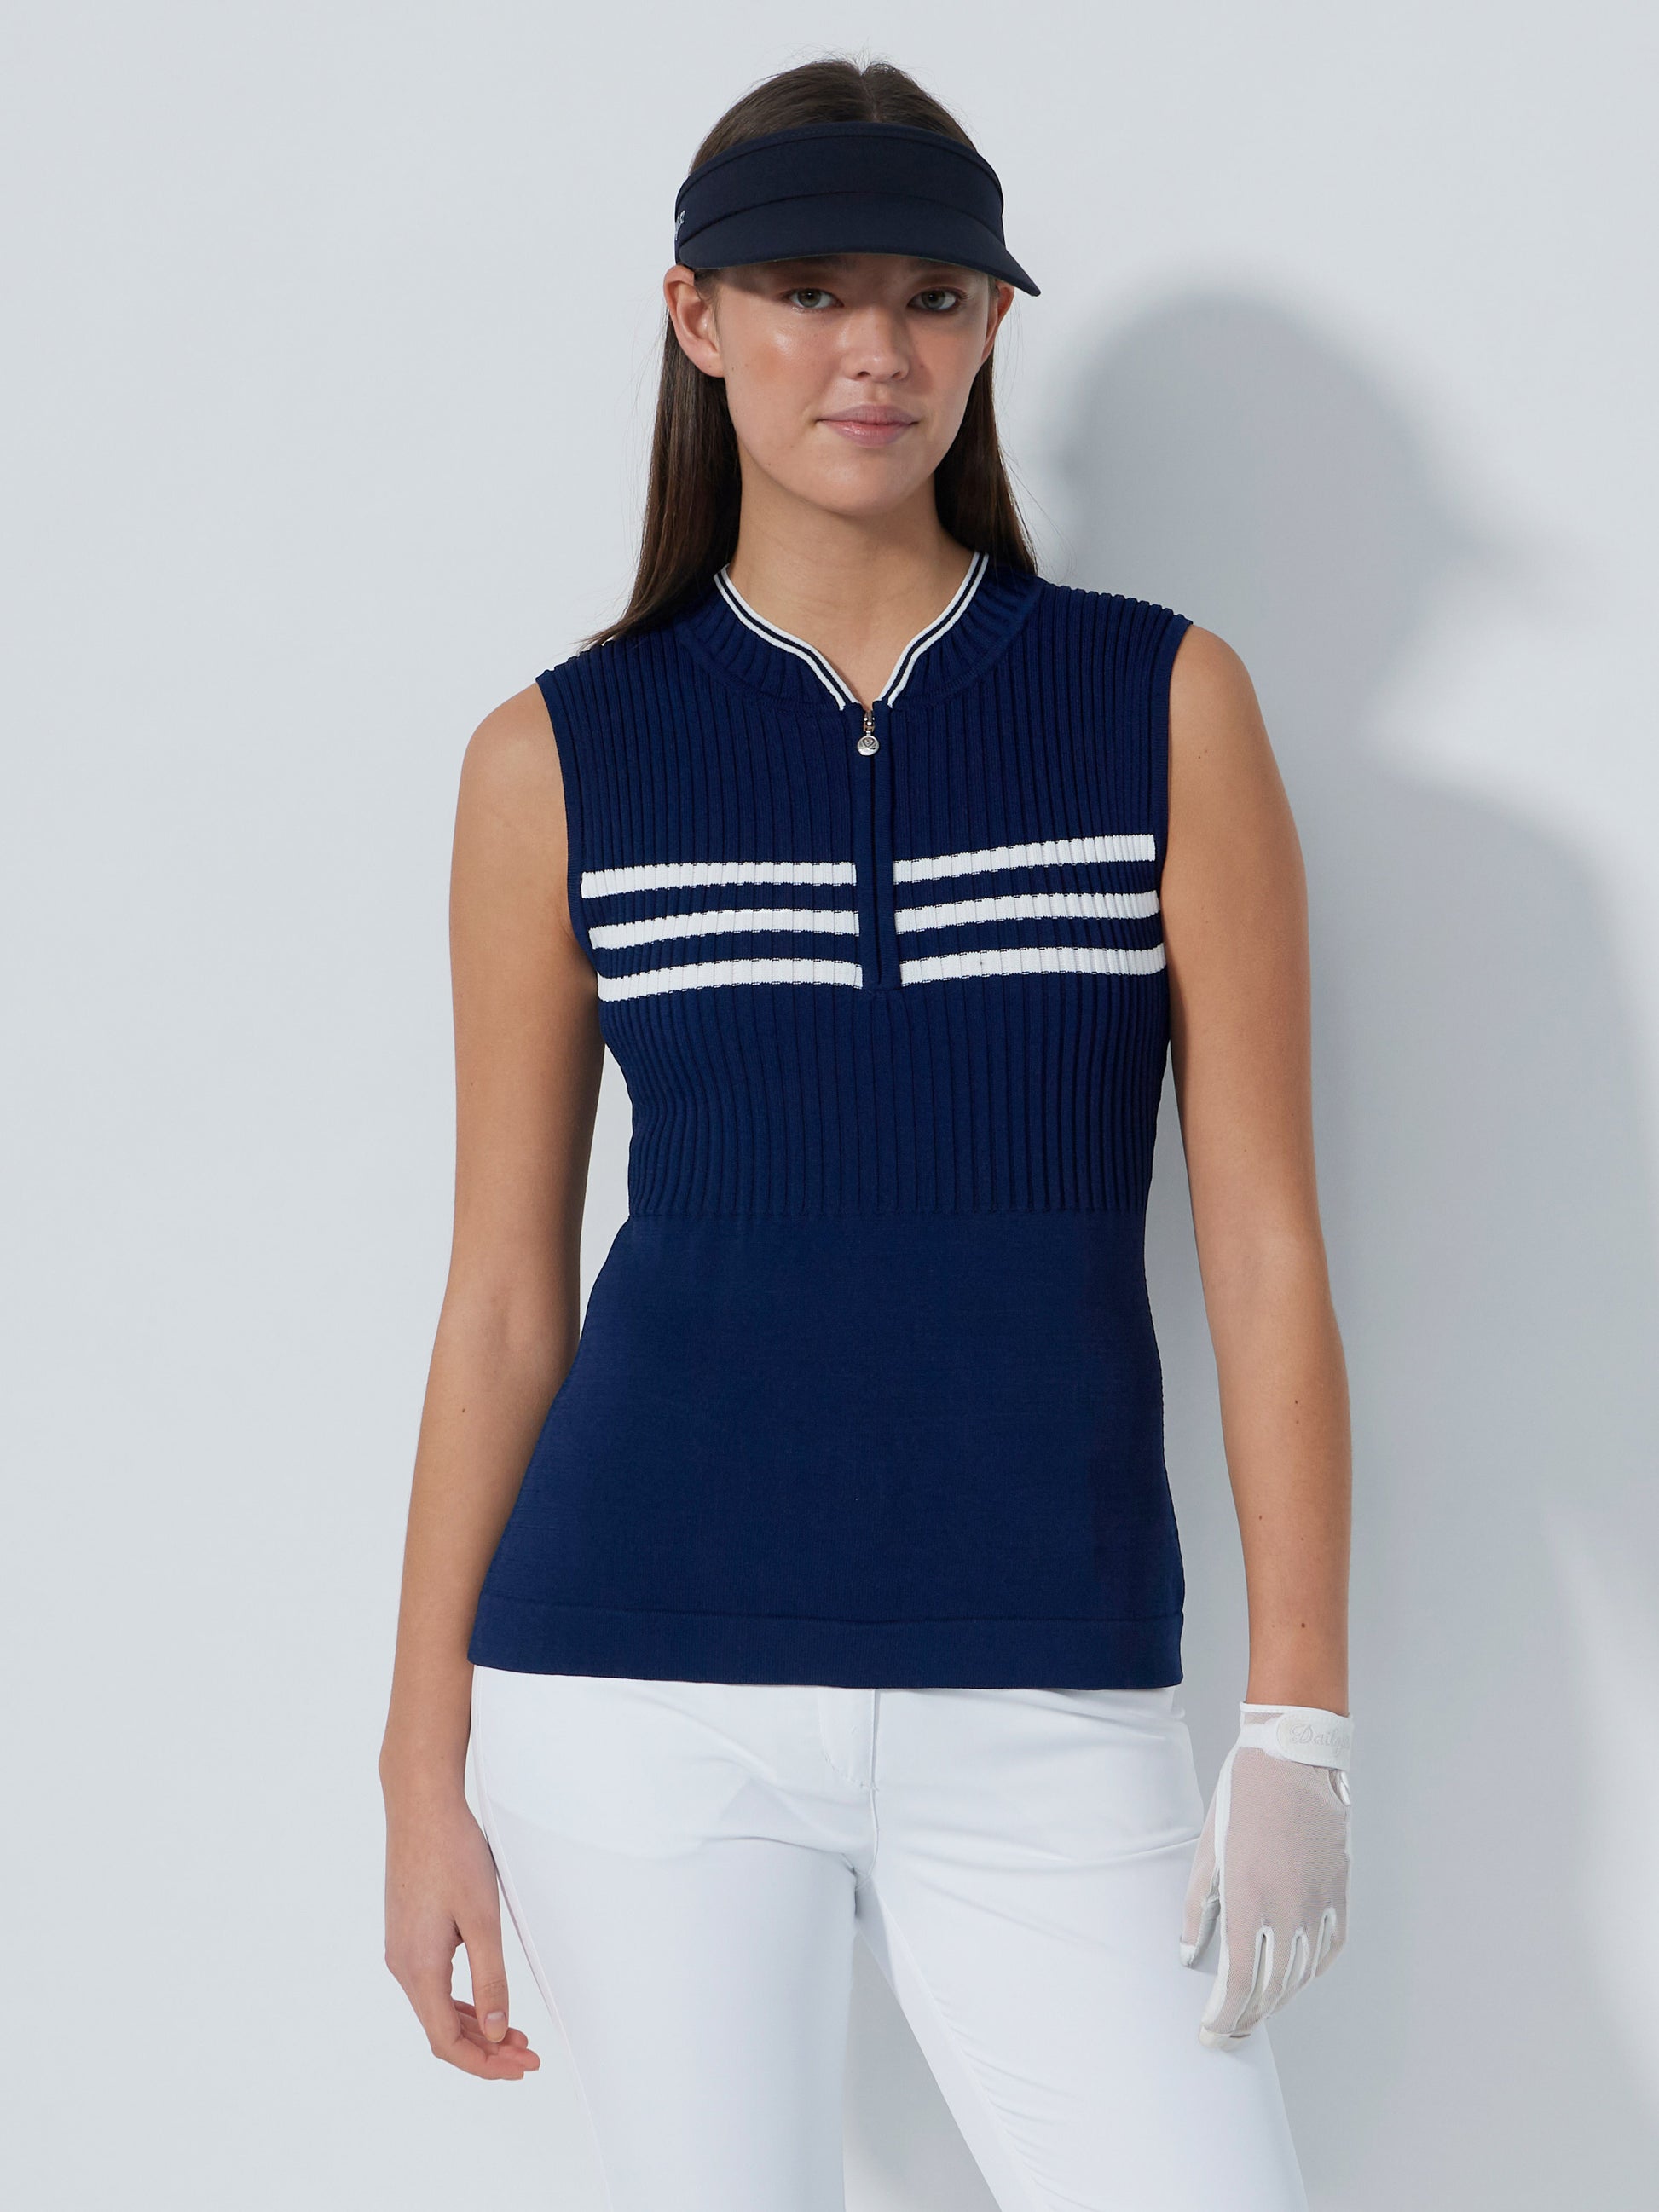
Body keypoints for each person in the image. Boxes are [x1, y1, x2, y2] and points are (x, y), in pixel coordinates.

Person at [379, 53, 1354, 2212]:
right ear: (696, 315)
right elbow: (507, 1291)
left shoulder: (1158, 704)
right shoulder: (555, 756)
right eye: (807, 290)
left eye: (929, 295)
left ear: (990, 324)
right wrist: (416, 1758)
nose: (874, 351)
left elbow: (1265, 1239)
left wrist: (1298, 1716)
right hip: (631, 1686)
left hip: (1047, 1681)